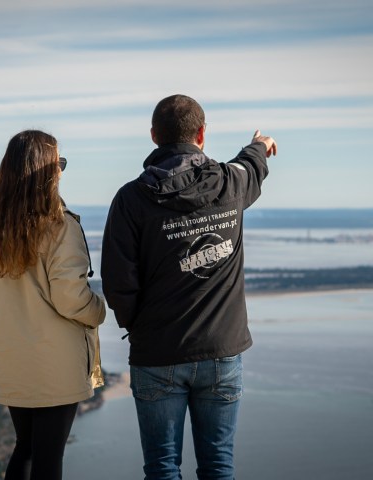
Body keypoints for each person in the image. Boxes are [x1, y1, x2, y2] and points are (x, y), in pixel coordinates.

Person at [101, 94, 277, 480]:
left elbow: (117, 282)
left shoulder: (131, 199)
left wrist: (140, 326)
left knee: (162, 468)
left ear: (152, 136)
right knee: (218, 467)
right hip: (221, 351)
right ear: (201, 134)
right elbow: (251, 165)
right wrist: (260, 146)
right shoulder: (230, 183)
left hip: (157, 353)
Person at [0, 130, 106, 480]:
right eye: (58, 164)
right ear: (46, 173)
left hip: (10, 358)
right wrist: (100, 309)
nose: (61, 171)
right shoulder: (60, 229)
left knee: (26, 447)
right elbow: (72, 299)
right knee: (49, 457)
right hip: (53, 363)